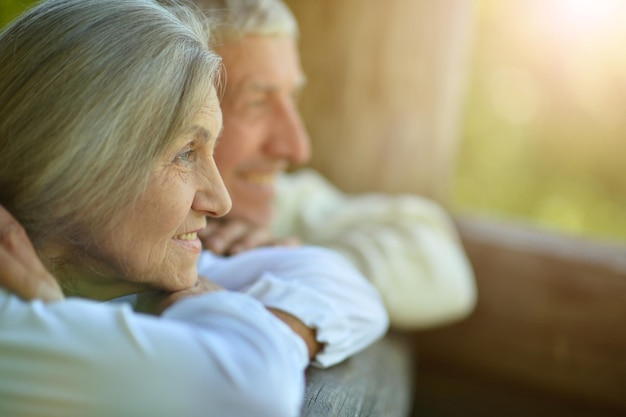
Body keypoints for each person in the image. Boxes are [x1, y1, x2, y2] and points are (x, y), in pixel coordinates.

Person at [0, 1, 388, 416]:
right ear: (72, 164)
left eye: (211, 150)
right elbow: (256, 388)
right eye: (186, 153)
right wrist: (218, 314)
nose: (221, 202)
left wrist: (262, 322)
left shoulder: (122, 279)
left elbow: (345, 286)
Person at [193, 0, 477, 330]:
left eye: (293, 99)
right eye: (255, 103)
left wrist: (296, 263)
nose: (297, 148)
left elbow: (441, 266)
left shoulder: (285, 204)